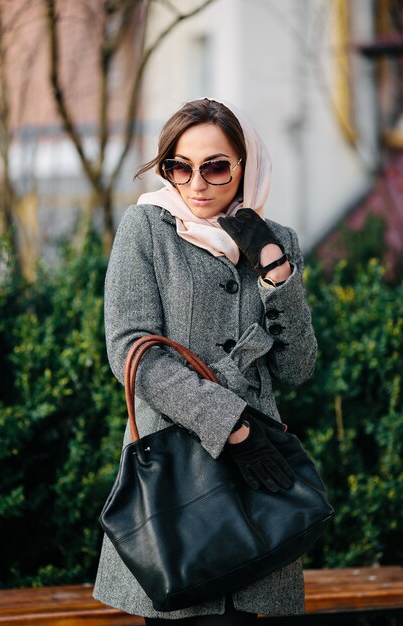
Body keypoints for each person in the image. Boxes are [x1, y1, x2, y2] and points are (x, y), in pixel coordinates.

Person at [93, 98, 318, 624]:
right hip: (178, 483)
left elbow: (296, 368)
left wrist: (276, 274)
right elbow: (130, 347)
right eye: (179, 166)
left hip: (259, 485)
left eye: (216, 167)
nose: (196, 184)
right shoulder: (146, 228)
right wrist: (231, 423)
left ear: (244, 165)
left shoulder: (277, 242)